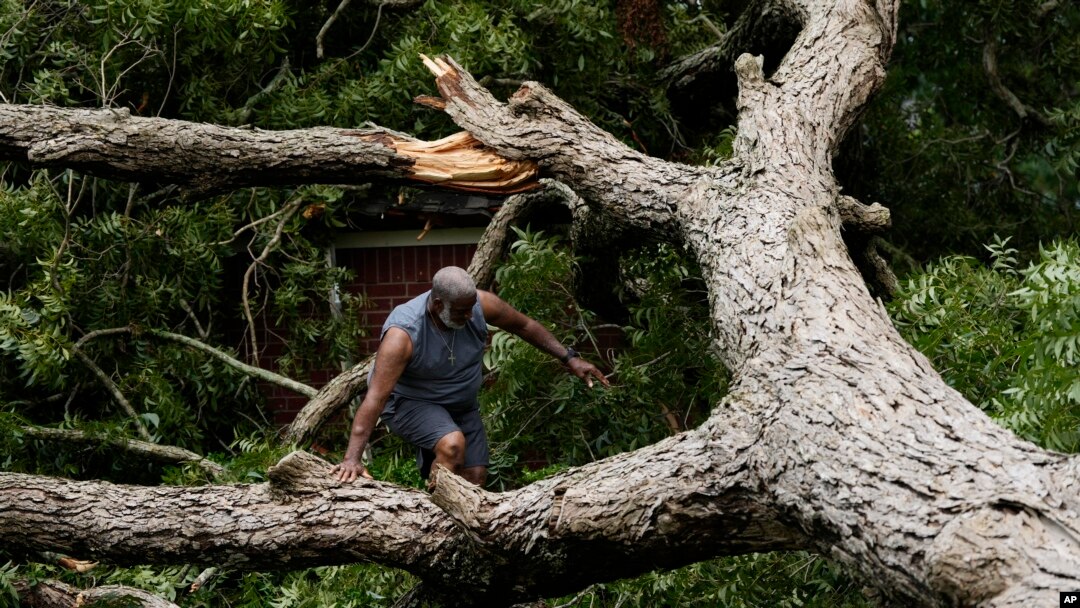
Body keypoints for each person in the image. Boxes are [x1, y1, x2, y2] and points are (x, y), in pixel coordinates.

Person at [332, 266, 609, 487]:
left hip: (461, 404)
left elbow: (525, 325)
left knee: (475, 477)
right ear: (438, 305)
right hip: (409, 402)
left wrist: (569, 358)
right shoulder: (403, 334)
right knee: (452, 445)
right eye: (462, 311)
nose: (470, 315)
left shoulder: (480, 304)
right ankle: (430, 519)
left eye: (471, 307)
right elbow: (375, 397)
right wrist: (352, 458)